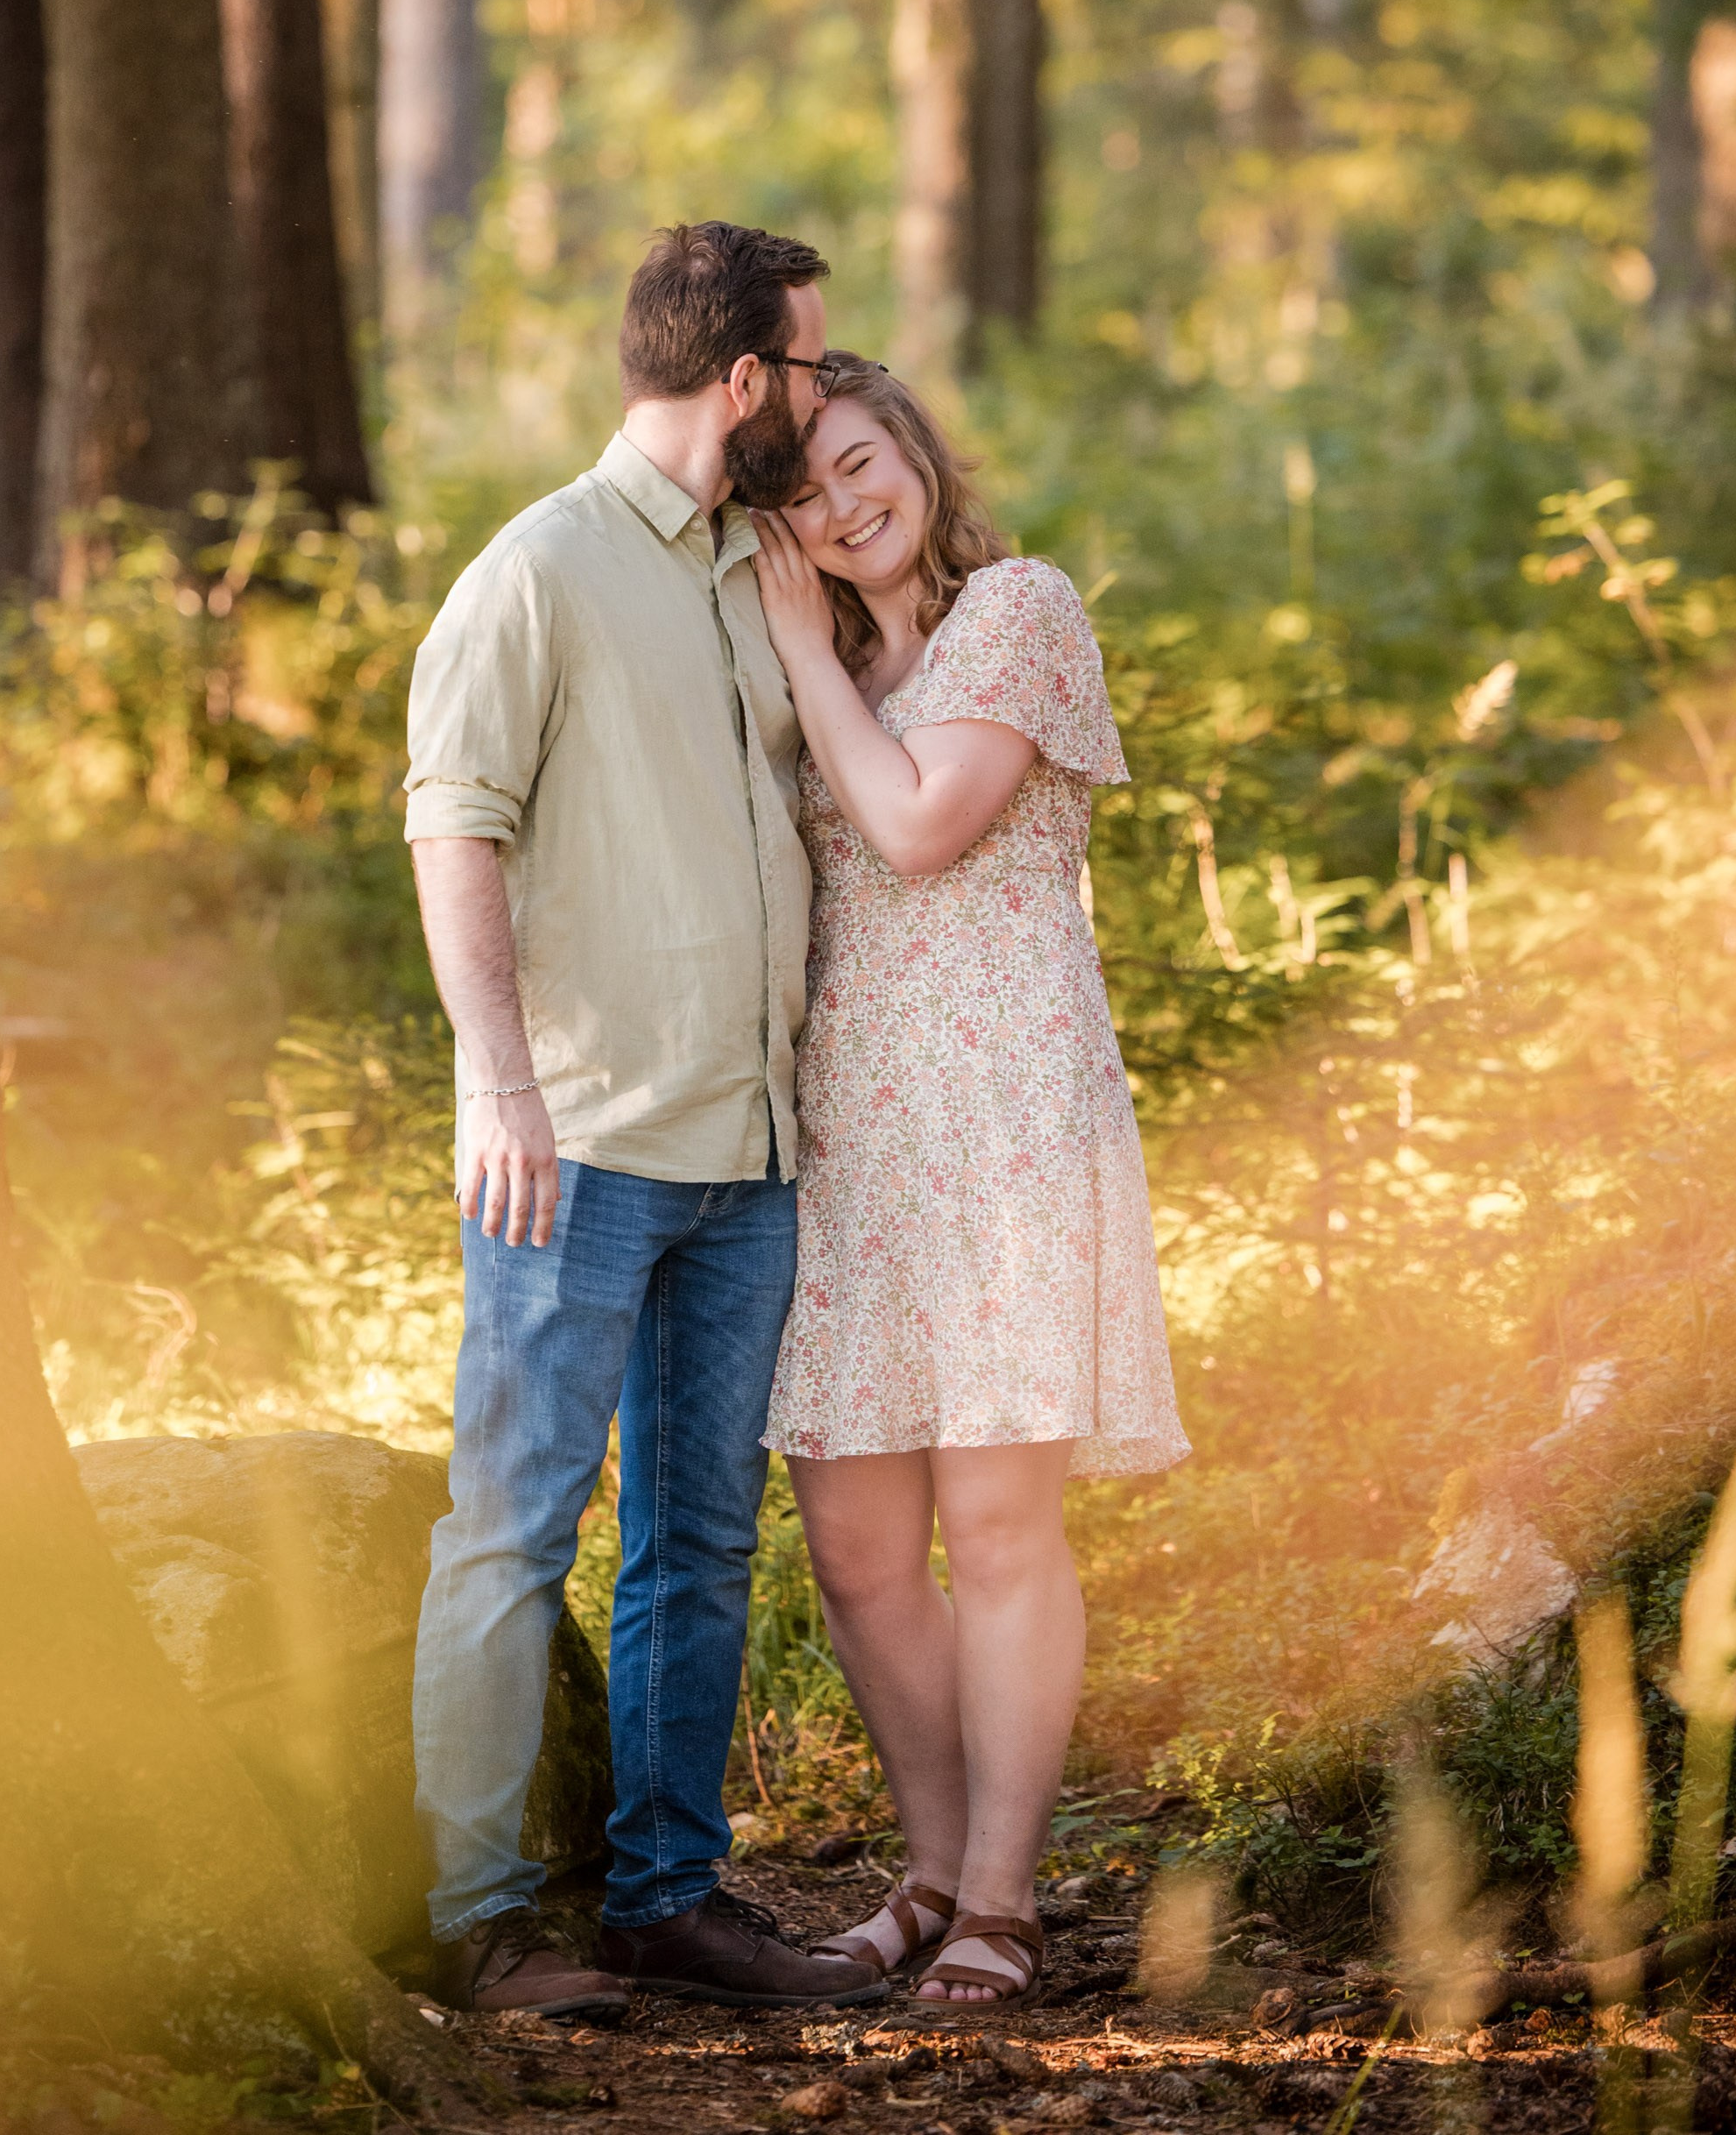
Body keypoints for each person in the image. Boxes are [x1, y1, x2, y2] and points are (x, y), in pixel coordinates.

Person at [402, 223, 889, 2019]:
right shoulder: (538, 571)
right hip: (580, 1147)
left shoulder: (763, 570)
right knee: (514, 1529)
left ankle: (665, 1900)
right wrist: (501, 1085)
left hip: (748, 1157)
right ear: (745, 379)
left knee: (700, 1542)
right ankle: (480, 1921)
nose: (828, 396)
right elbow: (454, 823)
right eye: (814, 367)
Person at [750, 355, 1188, 2010]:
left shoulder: (1019, 608)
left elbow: (924, 827)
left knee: (1000, 1527)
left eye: (861, 463)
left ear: (916, 453)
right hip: (854, 1135)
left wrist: (804, 651)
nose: (845, 506)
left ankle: (1004, 1901)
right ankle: (928, 1876)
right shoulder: (832, 659)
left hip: (1006, 1118)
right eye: (805, 495)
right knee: (859, 1550)